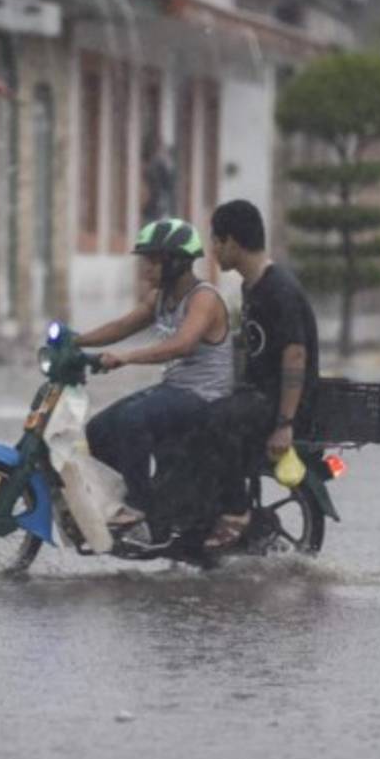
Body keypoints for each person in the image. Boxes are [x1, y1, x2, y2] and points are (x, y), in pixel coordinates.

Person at [151, 199, 319, 549]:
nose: (212, 250)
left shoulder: (279, 289)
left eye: (215, 241)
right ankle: (189, 515)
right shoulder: (251, 286)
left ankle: (236, 510)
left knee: (215, 421)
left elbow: (295, 355)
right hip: (254, 395)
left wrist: (285, 424)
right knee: (183, 419)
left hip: (276, 402)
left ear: (232, 242)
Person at [75, 218, 234, 530]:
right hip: (174, 390)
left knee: (132, 420)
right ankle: (134, 500)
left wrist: (126, 357)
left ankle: (141, 509)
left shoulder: (204, 298)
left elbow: (182, 344)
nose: (145, 268)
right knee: (98, 430)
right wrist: (76, 341)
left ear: (176, 262)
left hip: (204, 396)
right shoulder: (160, 297)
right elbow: (122, 326)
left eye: (153, 260)